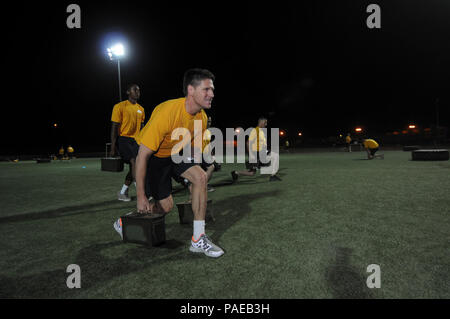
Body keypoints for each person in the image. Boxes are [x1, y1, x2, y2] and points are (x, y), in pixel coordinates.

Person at [114, 68, 224, 258]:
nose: (212, 94)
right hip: (154, 158)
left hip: (175, 153)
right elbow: (142, 157)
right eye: (206, 89)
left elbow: (192, 152)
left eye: (212, 90)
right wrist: (140, 195)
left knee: (200, 177)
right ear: (191, 90)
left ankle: (198, 239)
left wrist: (191, 181)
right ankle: (125, 222)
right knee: (165, 207)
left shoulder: (202, 118)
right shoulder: (167, 112)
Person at [110, 84, 145, 201]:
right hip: (124, 139)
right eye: (134, 90)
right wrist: (113, 146)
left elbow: (142, 128)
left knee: (133, 168)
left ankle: (122, 192)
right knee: (134, 161)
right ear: (128, 92)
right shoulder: (120, 106)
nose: (137, 92)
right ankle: (141, 192)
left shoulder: (141, 109)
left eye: (139, 90)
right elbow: (114, 127)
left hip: (136, 140)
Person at [231, 117, 281, 182]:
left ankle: (236, 173)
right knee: (275, 156)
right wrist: (251, 154)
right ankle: (273, 176)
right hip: (256, 153)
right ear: (261, 122)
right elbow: (248, 142)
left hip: (261, 152)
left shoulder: (261, 131)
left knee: (252, 173)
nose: (266, 124)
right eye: (265, 122)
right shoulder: (255, 130)